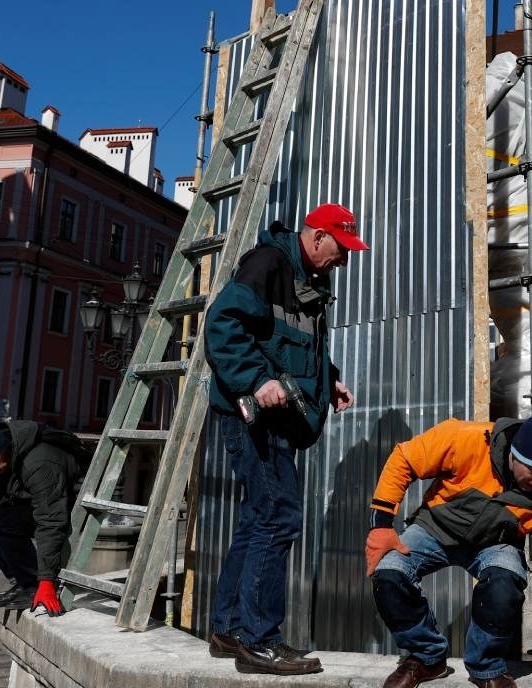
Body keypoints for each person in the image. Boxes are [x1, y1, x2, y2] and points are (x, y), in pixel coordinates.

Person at [203, 203, 368, 676]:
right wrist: (255, 381)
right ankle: (259, 641)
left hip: (281, 419)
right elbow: (222, 325)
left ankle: (229, 630)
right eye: (341, 249)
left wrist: (328, 380)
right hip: (256, 417)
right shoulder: (268, 263)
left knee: (258, 518)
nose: (345, 260)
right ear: (317, 237)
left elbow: (297, 344)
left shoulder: (312, 279)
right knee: (279, 518)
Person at [365, 412, 532, 688]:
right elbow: (404, 458)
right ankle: (427, 657)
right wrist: (381, 523)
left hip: (495, 544)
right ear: (513, 455)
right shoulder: (467, 440)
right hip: (435, 529)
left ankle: (485, 668)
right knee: (388, 573)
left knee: (504, 584)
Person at [0, 421, 86, 616]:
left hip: (68, 507)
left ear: (5, 449)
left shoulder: (39, 463)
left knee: (1, 522)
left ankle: (34, 584)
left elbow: (51, 520)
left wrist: (46, 581)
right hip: (41, 504)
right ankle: (23, 582)